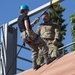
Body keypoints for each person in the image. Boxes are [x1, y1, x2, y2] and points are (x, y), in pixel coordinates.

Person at [17, 5, 49, 70]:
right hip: (29, 33)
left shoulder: (19, 18)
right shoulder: (25, 16)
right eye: (27, 10)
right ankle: (48, 59)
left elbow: (26, 25)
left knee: (34, 49)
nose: (28, 12)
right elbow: (26, 24)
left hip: (23, 36)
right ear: (25, 10)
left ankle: (34, 65)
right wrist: (29, 31)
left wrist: (35, 21)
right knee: (42, 43)